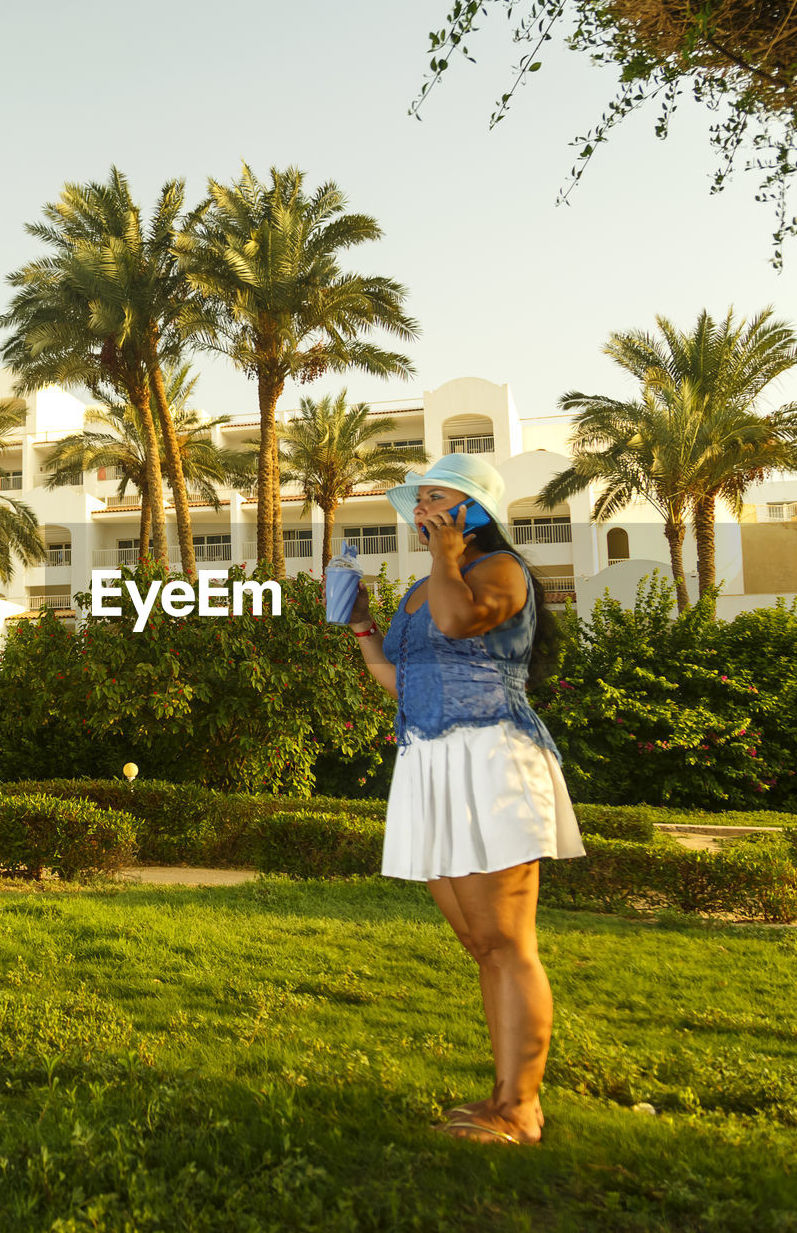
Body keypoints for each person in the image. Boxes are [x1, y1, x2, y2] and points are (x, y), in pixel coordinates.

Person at [347, 452, 585, 1147]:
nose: (422, 510)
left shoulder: (499, 573)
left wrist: (448, 555)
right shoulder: (425, 588)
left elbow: (458, 625)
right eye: (418, 500)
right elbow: (402, 682)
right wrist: (361, 623)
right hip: (429, 759)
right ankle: (506, 1096)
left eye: (438, 500)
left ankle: (520, 1108)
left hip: (492, 758)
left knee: (508, 942)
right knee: (481, 943)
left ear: (475, 511)